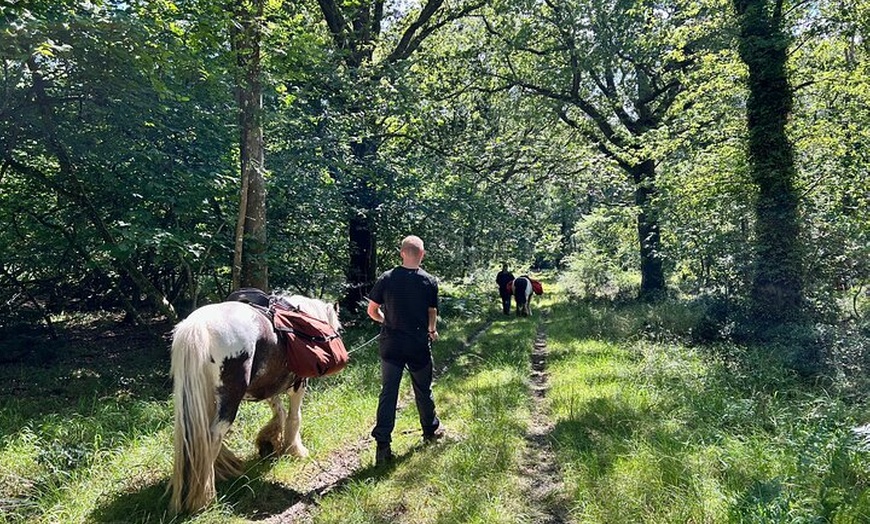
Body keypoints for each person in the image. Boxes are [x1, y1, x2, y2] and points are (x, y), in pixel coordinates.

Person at [367, 235, 442, 465]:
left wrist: (386, 320)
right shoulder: (429, 281)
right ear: (422, 254)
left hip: (391, 344)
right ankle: (429, 432)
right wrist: (432, 330)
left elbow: (372, 310)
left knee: (389, 392)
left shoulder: (386, 278)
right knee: (423, 389)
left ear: (401, 253)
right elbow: (432, 312)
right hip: (418, 344)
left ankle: (383, 446)